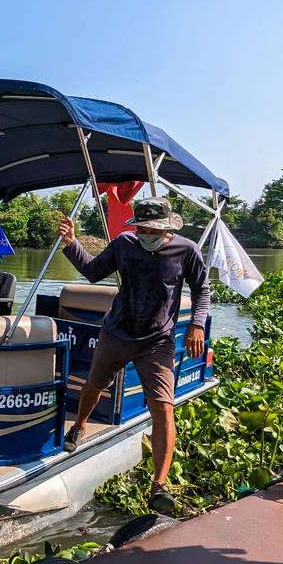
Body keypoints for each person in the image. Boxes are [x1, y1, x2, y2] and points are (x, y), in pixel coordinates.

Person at [58, 197, 209, 513]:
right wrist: (72, 244)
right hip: (117, 332)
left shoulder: (186, 250)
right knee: (94, 385)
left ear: (167, 227)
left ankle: (159, 486)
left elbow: (202, 290)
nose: (145, 233)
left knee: (164, 409)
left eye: (151, 229)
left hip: (158, 340)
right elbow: (94, 271)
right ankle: (80, 426)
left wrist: (196, 324)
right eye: (140, 227)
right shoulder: (125, 243)